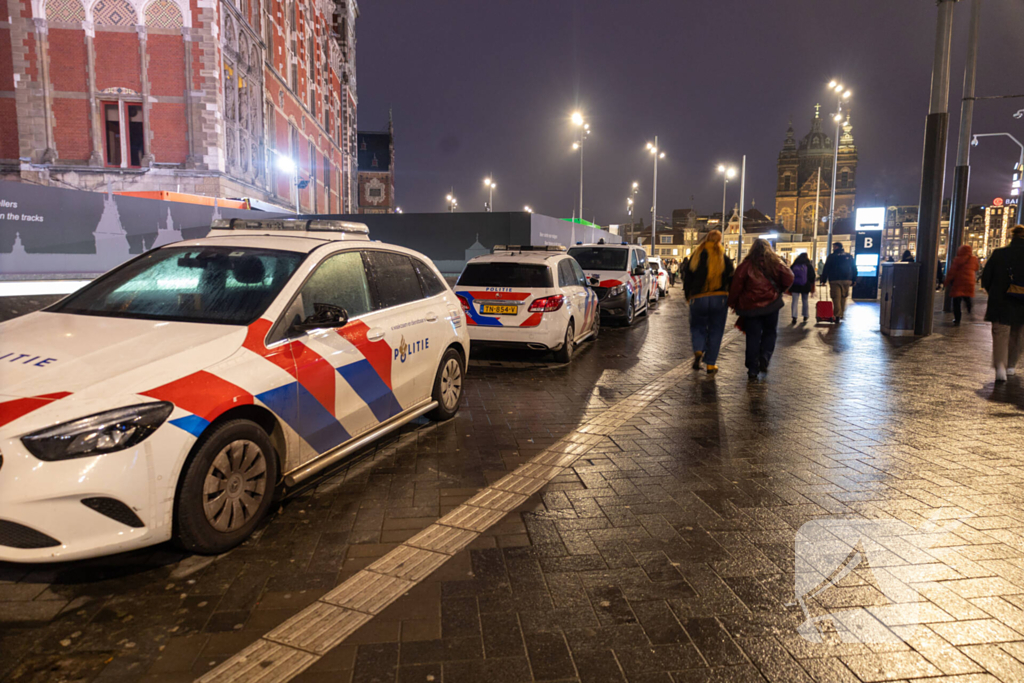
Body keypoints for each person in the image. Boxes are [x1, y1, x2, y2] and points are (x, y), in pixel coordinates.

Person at [728, 239, 793, 380]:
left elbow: (736, 285)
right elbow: (789, 277)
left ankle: (752, 369)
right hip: (771, 305)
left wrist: (733, 302)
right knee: (770, 332)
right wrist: (779, 290)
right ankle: (764, 357)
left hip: (751, 307)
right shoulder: (775, 264)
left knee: (753, 337)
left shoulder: (745, 265)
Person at [684, 231, 734, 376]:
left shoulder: (696, 256)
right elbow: (732, 277)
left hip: (698, 297)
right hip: (719, 298)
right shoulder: (723, 257)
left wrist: (688, 295)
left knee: (697, 326)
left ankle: (698, 348)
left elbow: (687, 277)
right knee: (716, 330)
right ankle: (711, 364)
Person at [981, 224, 1024, 382]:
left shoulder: (999, 254)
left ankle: (1000, 366)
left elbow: (986, 278)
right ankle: (1011, 365)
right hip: (1022, 303)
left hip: (1000, 300)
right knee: (1018, 333)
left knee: (1000, 333)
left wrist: (993, 291)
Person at [819, 242, 857, 323]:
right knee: (843, 297)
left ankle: (837, 315)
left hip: (834, 279)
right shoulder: (849, 256)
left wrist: (823, 280)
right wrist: (854, 279)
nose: (833, 248)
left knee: (836, 298)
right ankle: (841, 314)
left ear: (837, 247)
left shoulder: (832, 256)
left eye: (834, 246)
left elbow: (826, 268)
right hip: (847, 279)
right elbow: (854, 268)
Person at [944, 244, 979, 325]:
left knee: (956, 302)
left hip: (958, 283)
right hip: (969, 282)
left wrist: (946, 282)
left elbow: (951, 272)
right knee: (967, 297)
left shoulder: (957, 260)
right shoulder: (974, 259)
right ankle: (969, 311)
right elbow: (976, 268)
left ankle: (957, 319)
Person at [788, 252, 816, 324]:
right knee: (805, 300)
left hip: (795, 286)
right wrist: (811, 285)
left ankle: (794, 316)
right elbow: (812, 276)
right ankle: (805, 315)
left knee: (794, 301)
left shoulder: (794, 264)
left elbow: (789, 274)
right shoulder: (808, 265)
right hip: (805, 286)